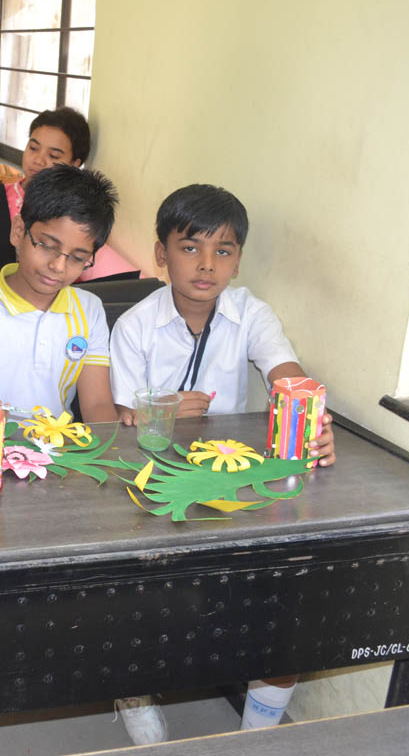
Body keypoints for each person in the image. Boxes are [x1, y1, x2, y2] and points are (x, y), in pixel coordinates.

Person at [107, 183, 336, 744]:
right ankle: (134, 694)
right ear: (161, 253)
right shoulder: (134, 326)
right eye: (190, 248)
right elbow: (120, 421)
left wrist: (310, 419)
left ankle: (256, 734)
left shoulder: (251, 313)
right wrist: (160, 411)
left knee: (288, 600)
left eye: (223, 250)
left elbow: (286, 374)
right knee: (138, 605)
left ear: (238, 260)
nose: (206, 264)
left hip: (233, 483)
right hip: (152, 484)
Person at [0, 164, 119, 425]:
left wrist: (111, 444)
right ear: (18, 231)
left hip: (57, 446)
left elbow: (97, 404)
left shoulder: (89, 309)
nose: (58, 266)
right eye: (47, 246)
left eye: (77, 258)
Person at [0, 107, 136, 287]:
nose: (38, 160)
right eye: (33, 148)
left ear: (74, 164)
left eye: (53, 155)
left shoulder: (80, 213)